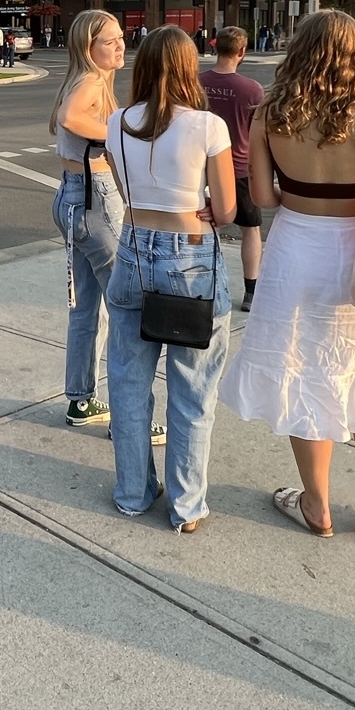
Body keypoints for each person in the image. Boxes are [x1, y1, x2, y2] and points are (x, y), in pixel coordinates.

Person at [220, 10, 355, 539]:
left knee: (303, 369)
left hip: (294, 250)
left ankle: (316, 503)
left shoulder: (270, 113)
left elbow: (262, 198)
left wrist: (306, 195)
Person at [103, 27, 236, 532]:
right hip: (191, 256)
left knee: (129, 381)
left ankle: (133, 493)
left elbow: (124, 189)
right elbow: (224, 208)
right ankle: (185, 506)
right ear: (187, 67)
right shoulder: (207, 126)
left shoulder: (116, 122)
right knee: (193, 387)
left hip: (134, 250)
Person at [49, 9, 144, 435]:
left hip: (73, 195)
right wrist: (118, 131)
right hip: (93, 200)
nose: (121, 45)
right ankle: (129, 418)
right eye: (110, 40)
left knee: (86, 307)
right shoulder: (89, 82)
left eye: (122, 37)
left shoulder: (86, 80)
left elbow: (61, 121)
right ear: (89, 47)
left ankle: (80, 398)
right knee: (126, 308)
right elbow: (69, 118)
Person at [200, 26, 266, 312]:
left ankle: (202, 284)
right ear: (242, 52)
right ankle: (251, 291)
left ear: (216, 48)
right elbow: (258, 132)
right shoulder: (251, 90)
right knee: (250, 229)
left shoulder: (196, 81)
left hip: (200, 164)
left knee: (201, 223)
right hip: (238, 167)